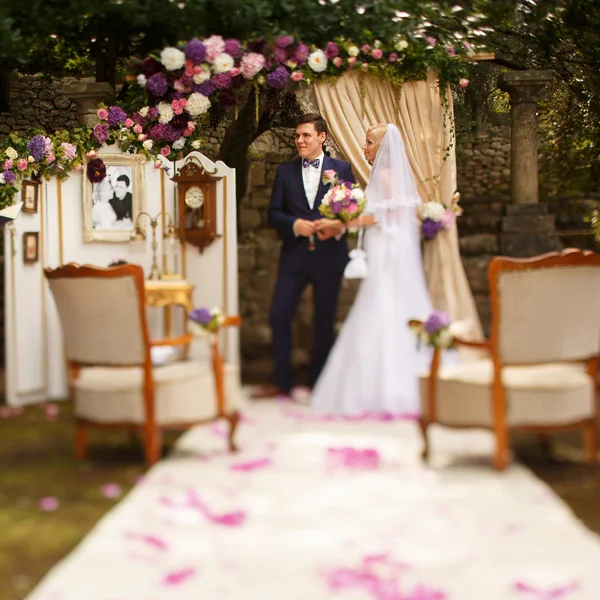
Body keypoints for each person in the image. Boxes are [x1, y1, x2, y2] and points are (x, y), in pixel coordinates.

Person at [311, 123, 433, 416]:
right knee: (378, 305)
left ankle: (386, 389)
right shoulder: (384, 176)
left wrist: (341, 222)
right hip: (382, 248)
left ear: (382, 148)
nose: (364, 148)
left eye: (368, 143)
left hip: (387, 251)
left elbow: (383, 218)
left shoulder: (388, 177)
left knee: (381, 307)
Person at [258, 113, 356, 399]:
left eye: (305, 135)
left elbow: (351, 210)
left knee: (324, 320)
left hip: (330, 255)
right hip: (294, 256)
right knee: (279, 315)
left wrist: (335, 227)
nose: (299, 140)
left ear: (321, 137)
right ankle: (282, 382)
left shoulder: (342, 169)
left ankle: (319, 384)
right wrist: (293, 224)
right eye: (297, 135)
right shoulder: (284, 172)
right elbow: (273, 213)